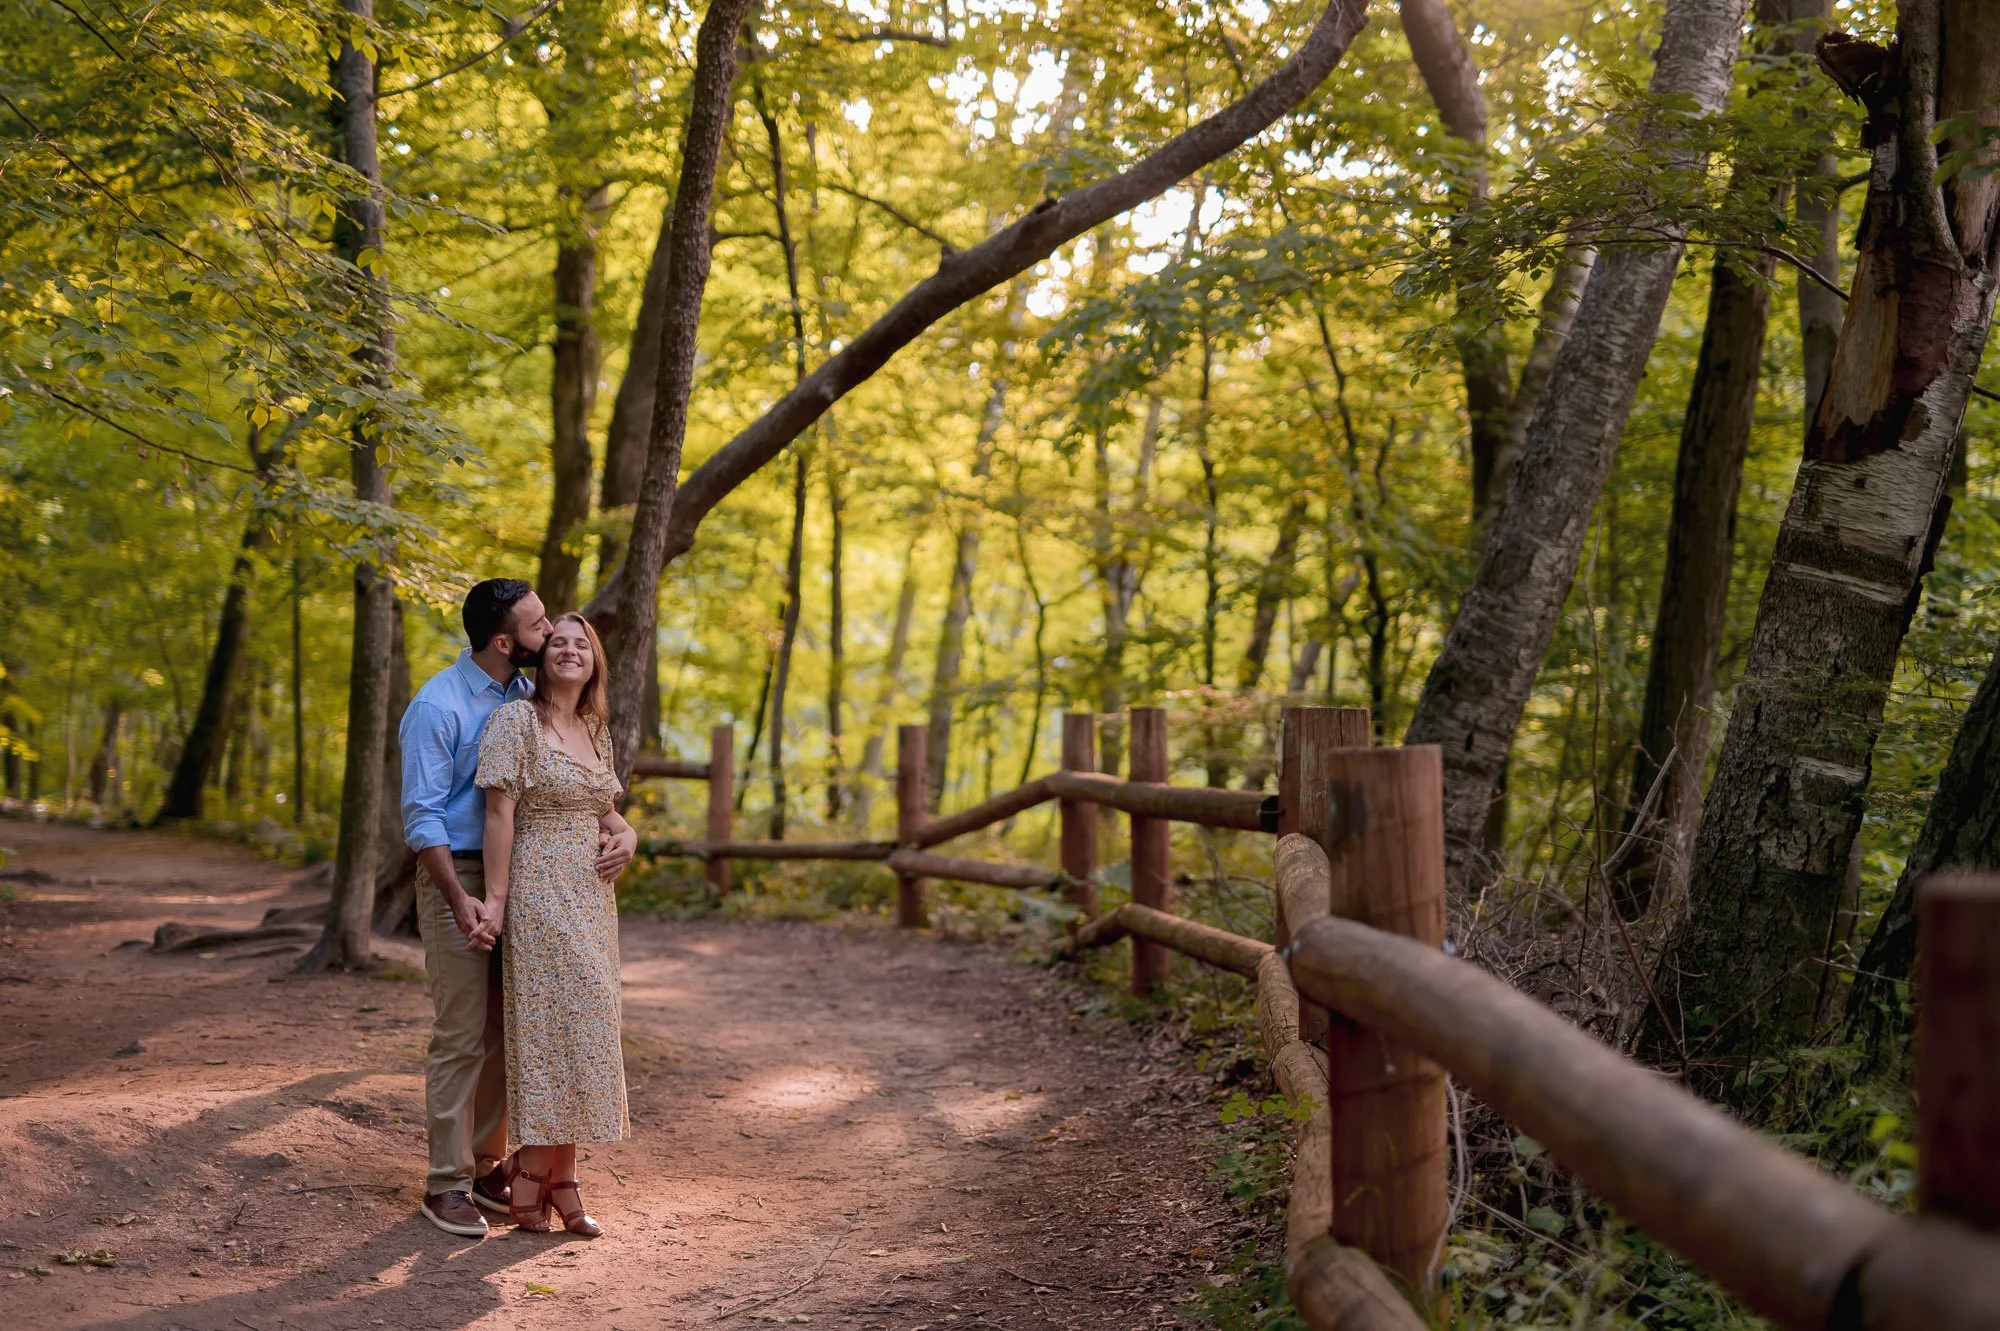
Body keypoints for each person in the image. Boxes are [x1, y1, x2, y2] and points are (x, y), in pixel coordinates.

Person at [476, 612, 637, 1237]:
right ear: (542, 658)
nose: (570, 651)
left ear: (595, 662)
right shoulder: (516, 721)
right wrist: (496, 900)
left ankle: (560, 1179)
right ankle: (532, 1174)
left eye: (582, 645)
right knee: (548, 1033)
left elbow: (605, 811)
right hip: (540, 890)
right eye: (559, 643)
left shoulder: (595, 728)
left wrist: (630, 835)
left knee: (586, 1030)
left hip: (593, 899)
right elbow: (498, 814)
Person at [401, 579, 551, 1238]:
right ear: (503, 642)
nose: (549, 631)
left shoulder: (526, 697)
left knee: (502, 1028)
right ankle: (446, 1183)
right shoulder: (438, 705)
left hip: (518, 877)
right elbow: (422, 816)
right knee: (461, 1032)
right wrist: (460, 899)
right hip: (455, 876)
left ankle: (487, 1165)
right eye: (537, 624)